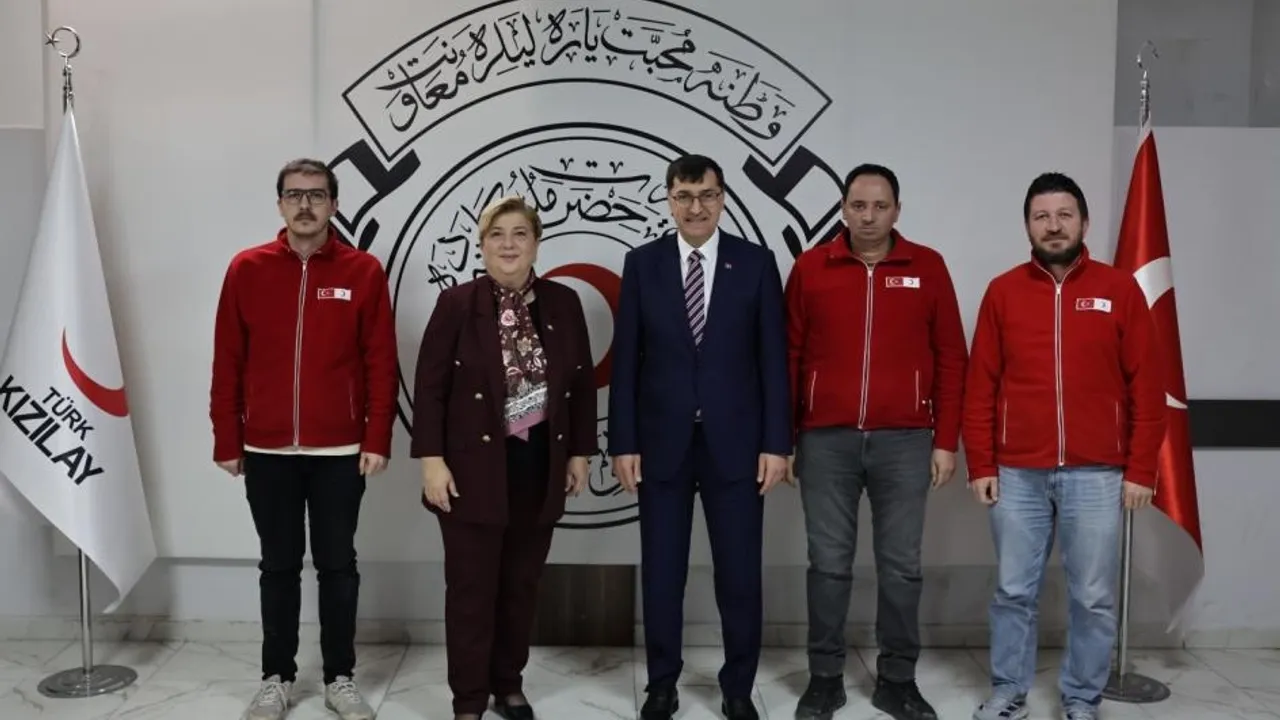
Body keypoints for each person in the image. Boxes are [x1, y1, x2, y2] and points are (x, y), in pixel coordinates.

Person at [963, 172, 1166, 720]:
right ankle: (1009, 692)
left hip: (1098, 472)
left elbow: (1147, 386)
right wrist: (981, 462)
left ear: (1084, 222)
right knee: (1013, 591)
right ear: (1027, 226)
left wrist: (1141, 469)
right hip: (1016, 472)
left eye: (1064, 215)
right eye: (1041, 217)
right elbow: (981, 384)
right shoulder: (1003, 291)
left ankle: (1081, 698)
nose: (1053, 226)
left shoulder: (1119, 290)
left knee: (1093, 596)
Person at [210, 158, 397, 720]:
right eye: (294, 195)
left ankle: (340, 677)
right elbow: (228, 359)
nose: (305, 205)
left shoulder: (363, 271)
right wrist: (227, 437)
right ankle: (277, 677)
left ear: (334, 205)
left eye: (316, 195)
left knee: (338, 565)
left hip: (340, 450)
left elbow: (380, 361)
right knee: (278, 566)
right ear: (280, 204)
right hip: (267, 450)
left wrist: (377, 435)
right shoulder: (247, 269)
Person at [608, 154, 790, 720]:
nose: (696, 207)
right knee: (663, 573)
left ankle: (738, 688)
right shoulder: (643, 264)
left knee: (739, 574)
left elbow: (773, 361)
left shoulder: (755, 263)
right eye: (684, 196)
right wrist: (623, 442)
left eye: (707, 195)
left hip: (737, 447)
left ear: (723, 198)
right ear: (668, 200)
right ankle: (661, 683)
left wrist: (777, 443)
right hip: (661, 444)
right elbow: (626, 362)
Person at [784, 163, 967, 720]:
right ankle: (824, 678)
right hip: (825, 441)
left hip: (905, 441)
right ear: (843, 209)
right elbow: (789, 355)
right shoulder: (811, 267)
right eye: (858, 206)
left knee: (902, 566)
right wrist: (785, 436)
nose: (868, 216)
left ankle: (897, 680)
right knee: (828, 565)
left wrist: (945, 440)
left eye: (880, 206)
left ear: (897, 211)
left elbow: (951, 358)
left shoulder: (927, 266)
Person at [411, 195, 596, 720]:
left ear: (536, 243)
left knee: (521, 585)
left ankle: (508, 684)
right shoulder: (456, 303)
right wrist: (431, 461)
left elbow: (581, 385)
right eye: (497, 234)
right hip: (470, 471)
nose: (509, 244)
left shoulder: (563, 302)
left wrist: (580, 452)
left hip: (539, 466)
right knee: (471, 591)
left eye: (520, 234)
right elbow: (430, 389)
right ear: (482, 244)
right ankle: (469, 699)